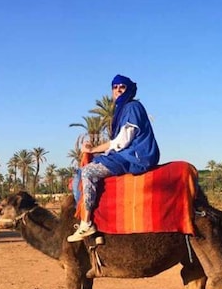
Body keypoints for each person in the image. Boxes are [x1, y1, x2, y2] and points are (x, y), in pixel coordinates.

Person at [68, 74, 161, 242]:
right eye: (115, 87)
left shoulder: (132, 107)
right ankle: (95, 222)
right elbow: (116, 143)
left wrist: (95, 149)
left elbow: (122, 141)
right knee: (83, 170)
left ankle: (86, 223)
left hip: (135, 157)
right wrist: (95, 152)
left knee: (88, 172)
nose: (118, 90)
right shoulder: (123, 109)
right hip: (127, 154)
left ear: (128, 89)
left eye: (122, 87)